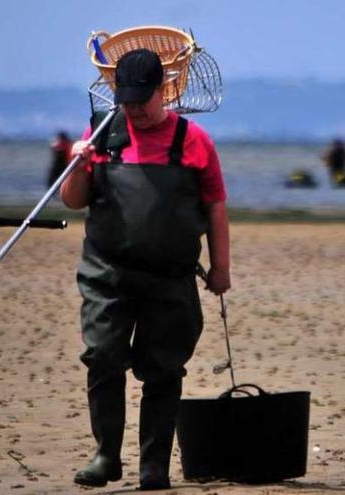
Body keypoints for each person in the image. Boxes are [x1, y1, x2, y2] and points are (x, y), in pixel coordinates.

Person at [60, 48, 231, 490]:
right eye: (126, 101)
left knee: (164, 368)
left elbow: (214, 207)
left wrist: (220, 267)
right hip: (107, 271)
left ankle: (154, 466)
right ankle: (105, 456)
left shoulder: (194, 141)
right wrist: (77, 164)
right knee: (102, 356)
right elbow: (73, 201)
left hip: (170, 275)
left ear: (164, 91)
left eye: (142, 100)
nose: (134, 110)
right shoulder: (102, 133)